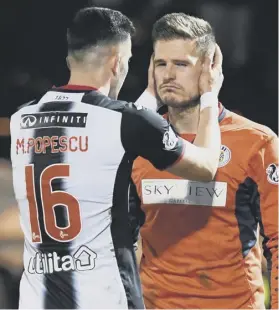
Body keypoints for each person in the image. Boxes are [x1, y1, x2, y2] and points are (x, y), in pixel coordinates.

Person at [10, 7, 224, 309]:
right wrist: (209, 96)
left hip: (35, 300)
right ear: (117, 62)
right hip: (104, 298)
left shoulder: (21, 118)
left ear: (71, 58)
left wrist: (150, 96)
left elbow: (104, 139)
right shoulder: (125, 122)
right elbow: (205, 166)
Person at [130, 13, 278, 310]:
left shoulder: (256, 142)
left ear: (211, 70)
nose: (168, 75)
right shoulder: (136, 143)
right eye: (161, 64)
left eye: (181, 64)